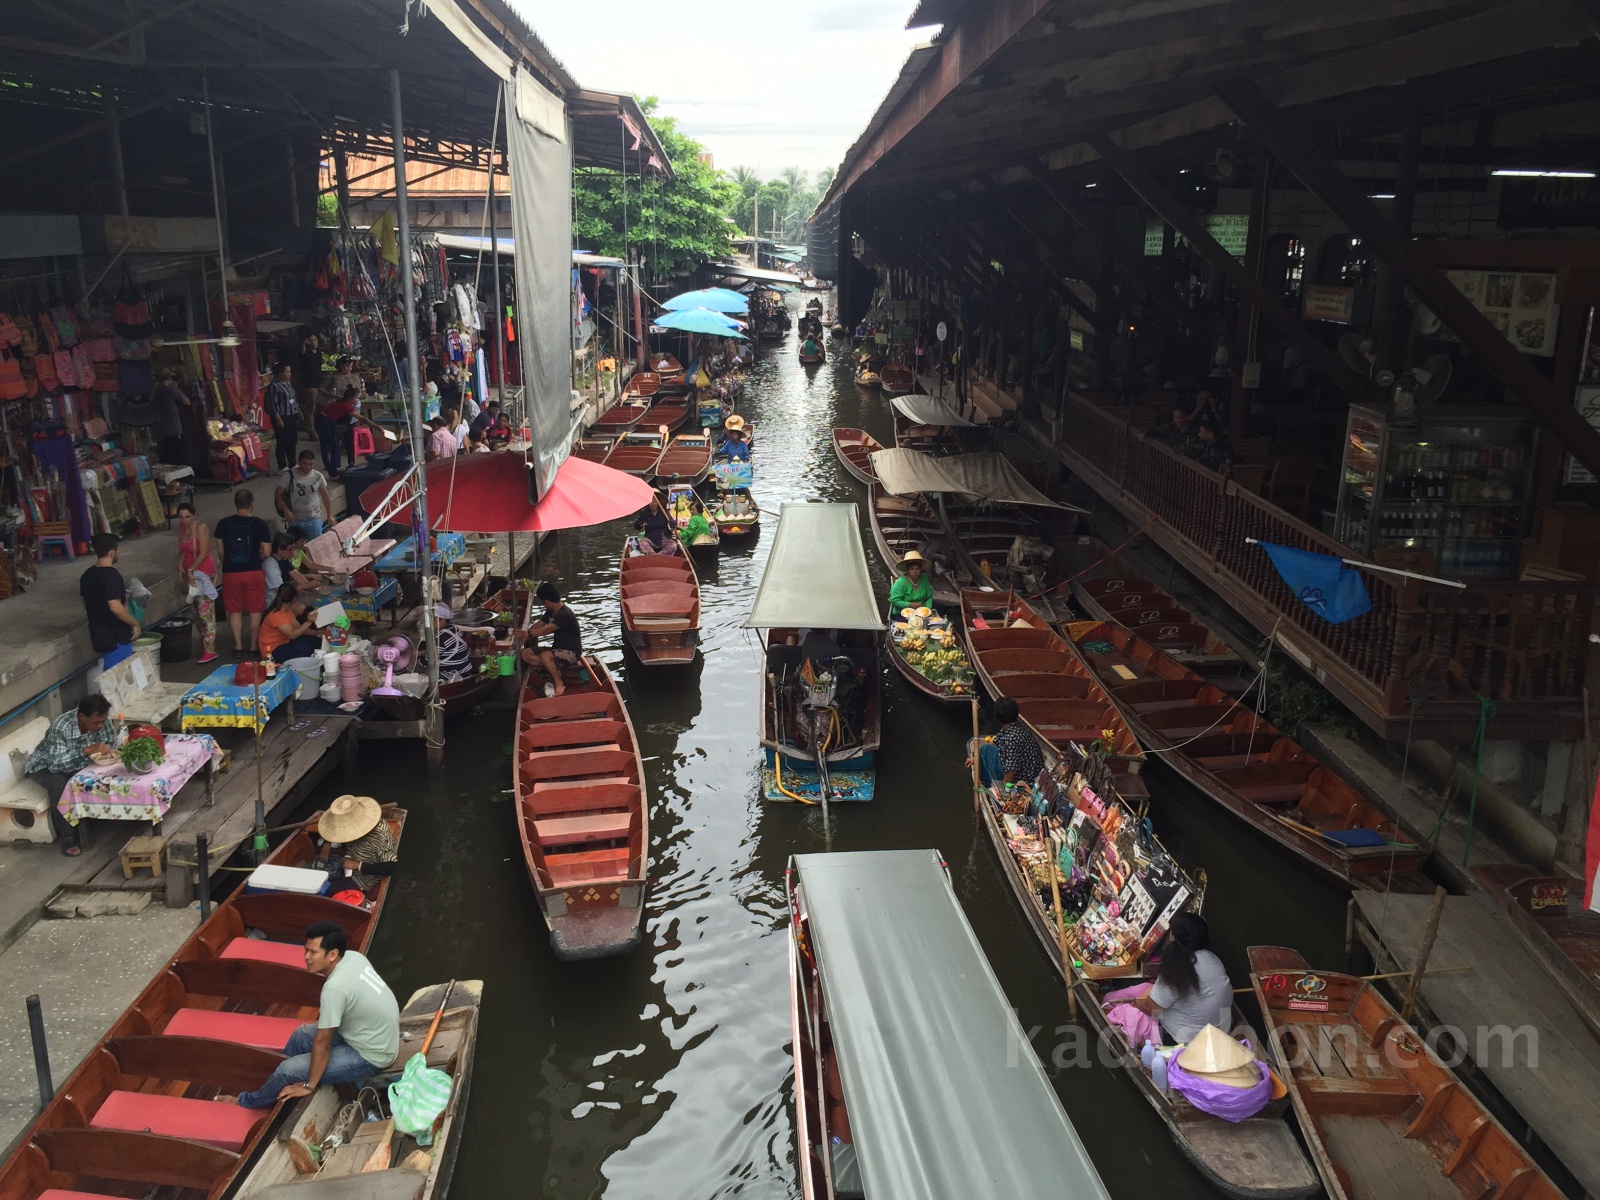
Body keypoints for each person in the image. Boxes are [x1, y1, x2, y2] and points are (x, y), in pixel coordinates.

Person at [229, 920, 399, 1109]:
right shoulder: (352, 957)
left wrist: (309, 1085)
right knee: (300, 1034)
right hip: (367, 1034)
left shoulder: (335, 989)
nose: (307, 957)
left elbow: (323, 1041)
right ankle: (273, 1089)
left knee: (287, 1070)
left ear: (333, 954)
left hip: (372, 1054)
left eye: (313, 952)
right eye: (306, 950)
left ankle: (248, 1102)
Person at [1103, 912, 1233, 1049]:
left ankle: (1107, 1013)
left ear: (1175, 938)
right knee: (1143, 988)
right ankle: (1105, 1000)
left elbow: (1149, 1008)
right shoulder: (1212, 958)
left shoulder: (1178, 967)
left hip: (1180, 1040)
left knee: (1128, 1012)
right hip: (1216, 1029)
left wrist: (1137, 1003)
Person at [25, 695, 119, 856]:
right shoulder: (61, 727)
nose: (100, 725)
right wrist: (87, 751)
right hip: (44, 766)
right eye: (96, 722)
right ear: (82, 717)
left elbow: (109, 742)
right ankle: (67, 835)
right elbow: (56, 765)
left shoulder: (102, 718)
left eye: (103, 721)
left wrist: (102, 751)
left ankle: (94, 815)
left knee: (103, 775)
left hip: (78, 762)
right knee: (61, 784)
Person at [214, 489, 273, 659]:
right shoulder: (260, 524)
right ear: (252, 503)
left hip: (231, 574)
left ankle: (238, 647)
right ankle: (253, 646)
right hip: (253, 572)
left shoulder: (223, 524)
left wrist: (229, 563)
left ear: (235, 503)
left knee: (235, 611)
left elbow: (220, 552)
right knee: (255, 611)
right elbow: (267, 552)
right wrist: (256, 558)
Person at [316, 794, 398, 893]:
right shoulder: (343, 825)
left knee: (327, 892)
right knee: (319, 873)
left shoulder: (380, 835)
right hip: (349, 857)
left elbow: (390, 868)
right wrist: (326, 845)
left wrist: (357, 865)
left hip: (364, 877)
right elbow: (332, 829)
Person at [80, 533, 140, 667]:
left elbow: (88, 600)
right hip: (116, 635)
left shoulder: (87, 575)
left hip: (98, 634)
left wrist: (121, 595)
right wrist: (134, 623)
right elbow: (114, 606)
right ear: (112, 553)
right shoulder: (112, 576)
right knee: (117, 676)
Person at [517, 581, 581, 697]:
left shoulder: (565, 615)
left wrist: (527, 634)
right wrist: (524, 637)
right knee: (525, 653)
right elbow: (539, 625)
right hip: (556, 650)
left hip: (571, 653)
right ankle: (554, 668)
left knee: (545, 656)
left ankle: (559, 683)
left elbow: (547, 629)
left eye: (543, 602)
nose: (544, 604)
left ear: (547, 602)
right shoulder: (551, 612)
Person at [176, 502, 219, 664]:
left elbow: (204, 552)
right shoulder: (181, 529)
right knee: (195, 612)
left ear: (194, 516)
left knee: (205, 611)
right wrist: (180, 565)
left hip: (204, 573)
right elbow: (182, 549)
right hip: (191, 573)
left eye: (187, 517)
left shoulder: (200, 528)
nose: (184, 520)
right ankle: (206, 643)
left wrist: (190, 570)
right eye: (181, 517)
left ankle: (210, 650)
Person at [970, 696, 1043, 788]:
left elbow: (1011, 772)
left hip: (1025, 780)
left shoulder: (1012, 737)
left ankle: (992, 784)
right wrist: (976, 759)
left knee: (986, 750)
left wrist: (1000, 789)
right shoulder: (1014, 727)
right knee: (986, 749)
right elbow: (996, 742)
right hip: (1026, 772)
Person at [276, 449, 333, 538]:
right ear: (299, 462)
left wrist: (329, 515)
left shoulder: (318, 476)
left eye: (311, 464)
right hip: (295, 519)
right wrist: (286, 510)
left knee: (315, 547)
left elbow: (326, 497)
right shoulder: (288, 476)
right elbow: (278, 494)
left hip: (314, 519)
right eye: (305, 464)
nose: (308, 467)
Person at [258, 584, 320, 663]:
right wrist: (309, 622)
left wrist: (315, 633)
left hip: (283, 642)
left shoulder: (286, 610)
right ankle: (296, 669)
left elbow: (298, 627)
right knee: (304, 647)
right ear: (294, 599)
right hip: (271, 652)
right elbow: (292, 635)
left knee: (314, 640)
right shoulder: (276, 615)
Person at [264, 362, 301, 471]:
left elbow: (294, 399)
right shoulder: (274, 386)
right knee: (282, 441)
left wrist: (299, 411)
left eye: (290, 372)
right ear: (280, 373)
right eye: (287, 372)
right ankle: (282, 465)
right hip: (281, 417)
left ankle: (292, 463)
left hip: (292, 415)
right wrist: (278, 418)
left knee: (292, 440)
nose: (289, 374)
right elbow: (273, 404)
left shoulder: (289, 383)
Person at [430, 603, 474, 682]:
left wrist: (417, 662)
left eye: (434, 619)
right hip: (466, 670)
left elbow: (429, 660)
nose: (431, 621)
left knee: (420, 669)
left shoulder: (441, 637)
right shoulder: (454, 628)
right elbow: (437, 650)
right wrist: (419, 653)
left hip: (453, 675)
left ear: (442, 620)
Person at [153, 369, 187, 465]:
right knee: (179, 459)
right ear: (169, 378)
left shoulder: (156, 392)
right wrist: (177, 388)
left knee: (166, 460)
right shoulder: (171, 390)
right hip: (174, 430)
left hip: (161, 432)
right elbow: (187, 402)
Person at [295, 333, 325, 422]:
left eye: (315, 340)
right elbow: (302, 350)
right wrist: (304, 344)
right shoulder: (305, 353)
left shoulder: (319, 353)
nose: (314, 343)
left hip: (319, 384)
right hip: (309, 385)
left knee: (318, 408)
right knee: (310, 409)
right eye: (311, 341)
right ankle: (311, 430)